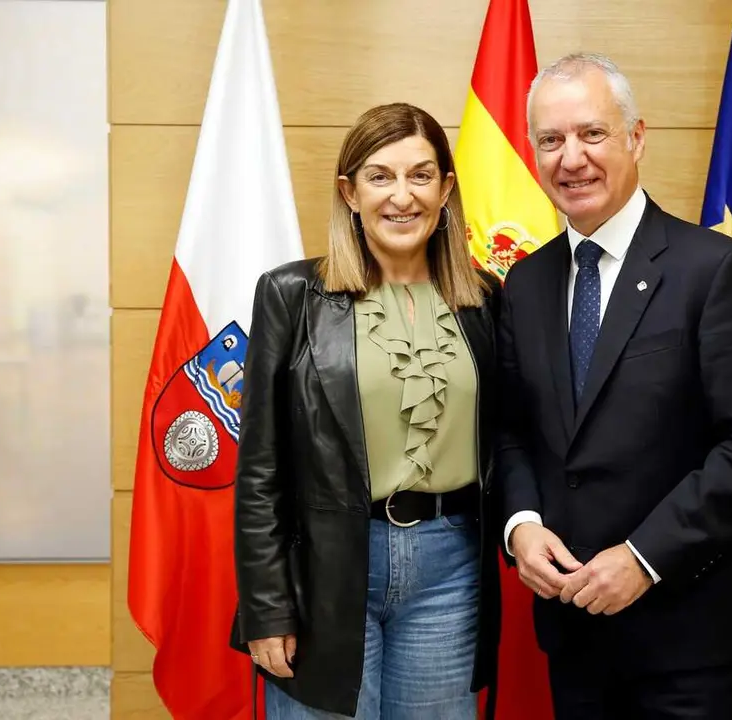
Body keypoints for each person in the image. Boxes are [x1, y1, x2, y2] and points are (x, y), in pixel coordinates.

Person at [495, 53, 732, 719]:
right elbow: (511, 430)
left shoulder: (713, 269)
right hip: (574, 637)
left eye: (592, 134)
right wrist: (520, 525)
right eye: (550, 140)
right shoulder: (526, 284)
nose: (570, 159)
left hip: (692, 644)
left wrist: (643, 557)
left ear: (636, 136)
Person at [229, 102, 502, 720]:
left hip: (450, 570)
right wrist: (266, 607)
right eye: (380, 176)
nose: (401, 197)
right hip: (325, 570)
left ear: (447, 190)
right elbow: (261, 471)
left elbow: (510, 440)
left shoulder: (487, 300)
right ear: (349, 193)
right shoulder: (291, 296)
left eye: (420, 175)